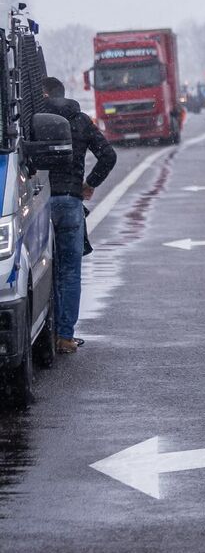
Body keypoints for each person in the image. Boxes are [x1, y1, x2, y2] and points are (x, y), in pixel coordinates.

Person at [44, 77, 117, 355]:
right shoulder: (81, 120)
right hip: (72, 201)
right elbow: (108, 156)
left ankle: (45, 334)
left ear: (46, 95)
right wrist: (90, 183)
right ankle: (65, 337)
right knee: (71, 273)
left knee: (44, 272)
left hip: (41, 202)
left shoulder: (36, 120)